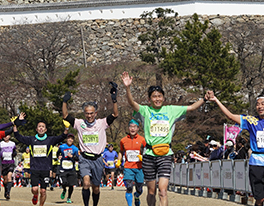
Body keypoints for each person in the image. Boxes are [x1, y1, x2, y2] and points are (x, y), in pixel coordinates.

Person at [121, 71, 210, 206]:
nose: (157, 99)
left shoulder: (171, 110)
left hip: (165, 154)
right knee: (151, 192)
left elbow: (191, 107)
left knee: (163, 191)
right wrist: (127, 87)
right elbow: (132, 103)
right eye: (154, 96)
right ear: (149, 99)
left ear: (163, 98)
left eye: (159, 96)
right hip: (149, 155)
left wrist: (204, 99)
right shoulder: (146, 110)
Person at [62, 81, 119, 206]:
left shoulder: (102, 123)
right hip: (85, 158)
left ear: (96, 113)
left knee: (96, 187)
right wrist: (65, 101)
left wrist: (114, 100)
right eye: (87, 113)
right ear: (84, 113)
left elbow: (115, 114)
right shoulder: (79, 123)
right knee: (86, 183)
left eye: (91, 113)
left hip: (98, 159)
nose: (89, 116)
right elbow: (65, 116)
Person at [13, 113, 68, 206]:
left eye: (43, 127)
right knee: (35, 189)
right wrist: (15, 124)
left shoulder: (50, 140)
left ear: (46, 129)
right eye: (39, 126)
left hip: (46, 169)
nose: (41, 128)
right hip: (34, 169)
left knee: (43, 191)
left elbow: (62, 137)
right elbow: (18, 137)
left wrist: (66, 128)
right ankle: (35, 196)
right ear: (36, 129)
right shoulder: (31, 139)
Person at [118, 119, 146, 206]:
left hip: (139, 167)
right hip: (128, 167)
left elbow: (147, 151)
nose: (132, 129)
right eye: (131, 127)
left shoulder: (142, 140)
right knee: (129, 187)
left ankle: (137, 196)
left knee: (139, 189)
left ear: (138, 128)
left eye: (134, 127)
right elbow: (121, 151)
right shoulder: (123, 140)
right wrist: (119, 160)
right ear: (128, 128)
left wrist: (143, 157)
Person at [58, 133, 79, 204]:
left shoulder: (75, 149)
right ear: (66, 139)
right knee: (63, 182)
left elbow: (78, 159)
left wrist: (72, 157)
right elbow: (58, 153)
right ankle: (64, 189)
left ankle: (69, 197)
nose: (70, 140)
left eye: (72, 138)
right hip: (63, 168)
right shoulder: (62, 147)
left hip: (71, 169)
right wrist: (58, 156)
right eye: (69, 138)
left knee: (71, 185)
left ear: (73, 140)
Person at [0, 133, 17, 200]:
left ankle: (8, 193)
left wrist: (14, 154)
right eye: (4, 136)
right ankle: (5, 189)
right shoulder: (1, 143)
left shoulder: (12, 143)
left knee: (9, 177)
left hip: (11, 163)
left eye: (7, 135)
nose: (5, 137)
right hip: (3, 163)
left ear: (9, 136)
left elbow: (15, 151)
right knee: (5, 180)